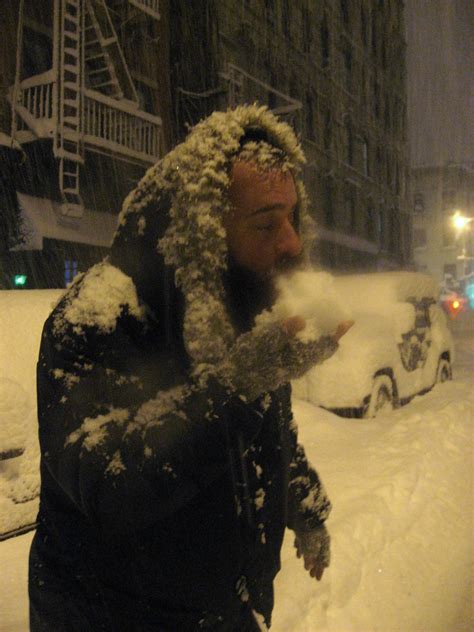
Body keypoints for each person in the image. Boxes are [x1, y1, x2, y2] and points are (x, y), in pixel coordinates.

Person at [29, 105, 352, 631]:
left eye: (292, 217)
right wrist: (239, 385)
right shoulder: (98, 319)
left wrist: (305, 506)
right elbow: (108, 490)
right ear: (202, 231)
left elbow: (269, 434)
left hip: (228, 612)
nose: (291, 241)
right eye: (266, 223)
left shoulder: (240, 307)